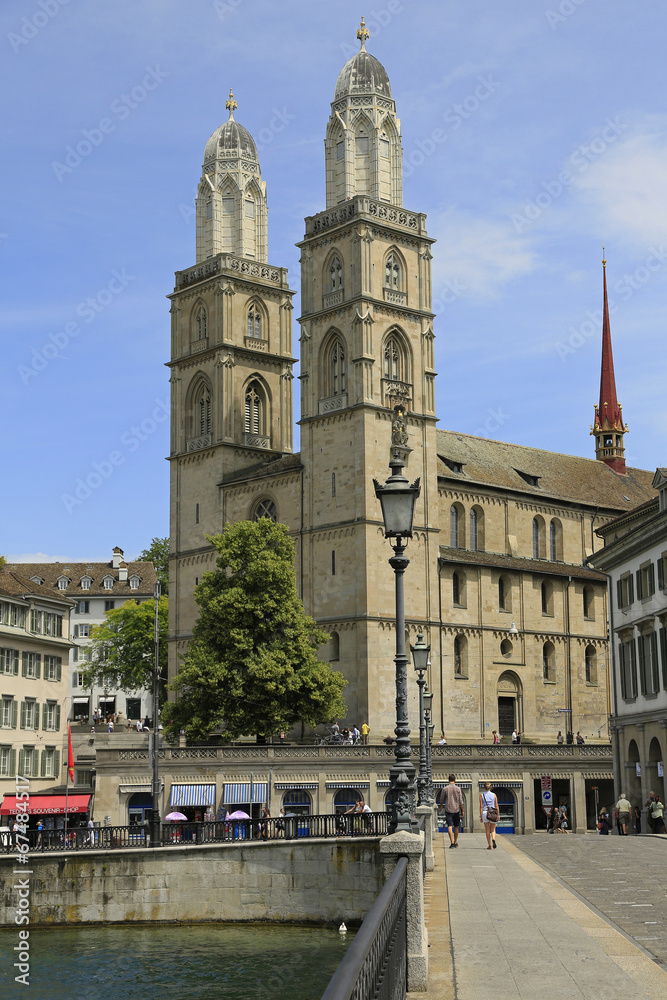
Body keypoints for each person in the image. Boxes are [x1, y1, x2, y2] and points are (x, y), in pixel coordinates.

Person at [438, 774, 465, 849]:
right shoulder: (458, 789)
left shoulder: (445, 789)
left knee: (450, 825)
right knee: (456, 826)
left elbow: (441, 799)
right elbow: (461, 801)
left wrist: (440, 806)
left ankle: (452, 842)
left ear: (448, 780)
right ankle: (455, 842)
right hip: (456, 810)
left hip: (448, 809)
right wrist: (462, 810)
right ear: (455, 780)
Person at [479, 781, 498, 849]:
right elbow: (496, 805)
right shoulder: (494, 795)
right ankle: (493, 838)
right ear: (490, 787)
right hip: (493, 812)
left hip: (485, 812)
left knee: (487, 829)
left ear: (484, 787)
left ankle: (489, 845)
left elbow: (481, 806)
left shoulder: (481, 795)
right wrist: (498, 815)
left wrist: (481, 816)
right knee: (493, 829)